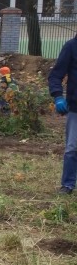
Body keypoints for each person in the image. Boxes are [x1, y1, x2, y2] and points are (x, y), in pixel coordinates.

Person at [48, 37, 77, 195]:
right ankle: (68, 184)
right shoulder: (71, 47)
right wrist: (58, 96)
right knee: (72, 147)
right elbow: (55, 75)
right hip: (75, 108)